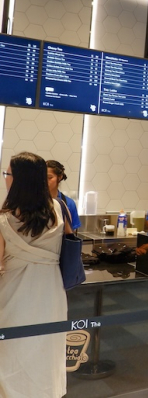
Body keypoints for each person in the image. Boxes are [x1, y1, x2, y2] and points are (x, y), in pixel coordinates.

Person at [0, 151, 72, 397]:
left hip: (14, 297)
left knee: (12, 352)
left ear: (19, 179)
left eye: (8, 173)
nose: (5, 178)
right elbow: (70, 243)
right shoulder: (59, 209)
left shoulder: (4, 219)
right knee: (46, 352)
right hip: (50, 294)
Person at [46, 160, 81, 232]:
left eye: (49, 177)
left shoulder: (69, 203)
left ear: (59, 177)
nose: (45, 181)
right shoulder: (35, 201)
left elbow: (72, 232)